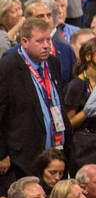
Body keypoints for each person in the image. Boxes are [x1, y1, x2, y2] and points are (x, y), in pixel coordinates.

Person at [0, 17, 68, 180]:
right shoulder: (7, 68)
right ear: (24, 41)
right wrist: (2, 153)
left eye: (48, 40)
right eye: (40, 41)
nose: (46, 45)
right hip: (22, 156)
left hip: (56, 151)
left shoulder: (53, 63)